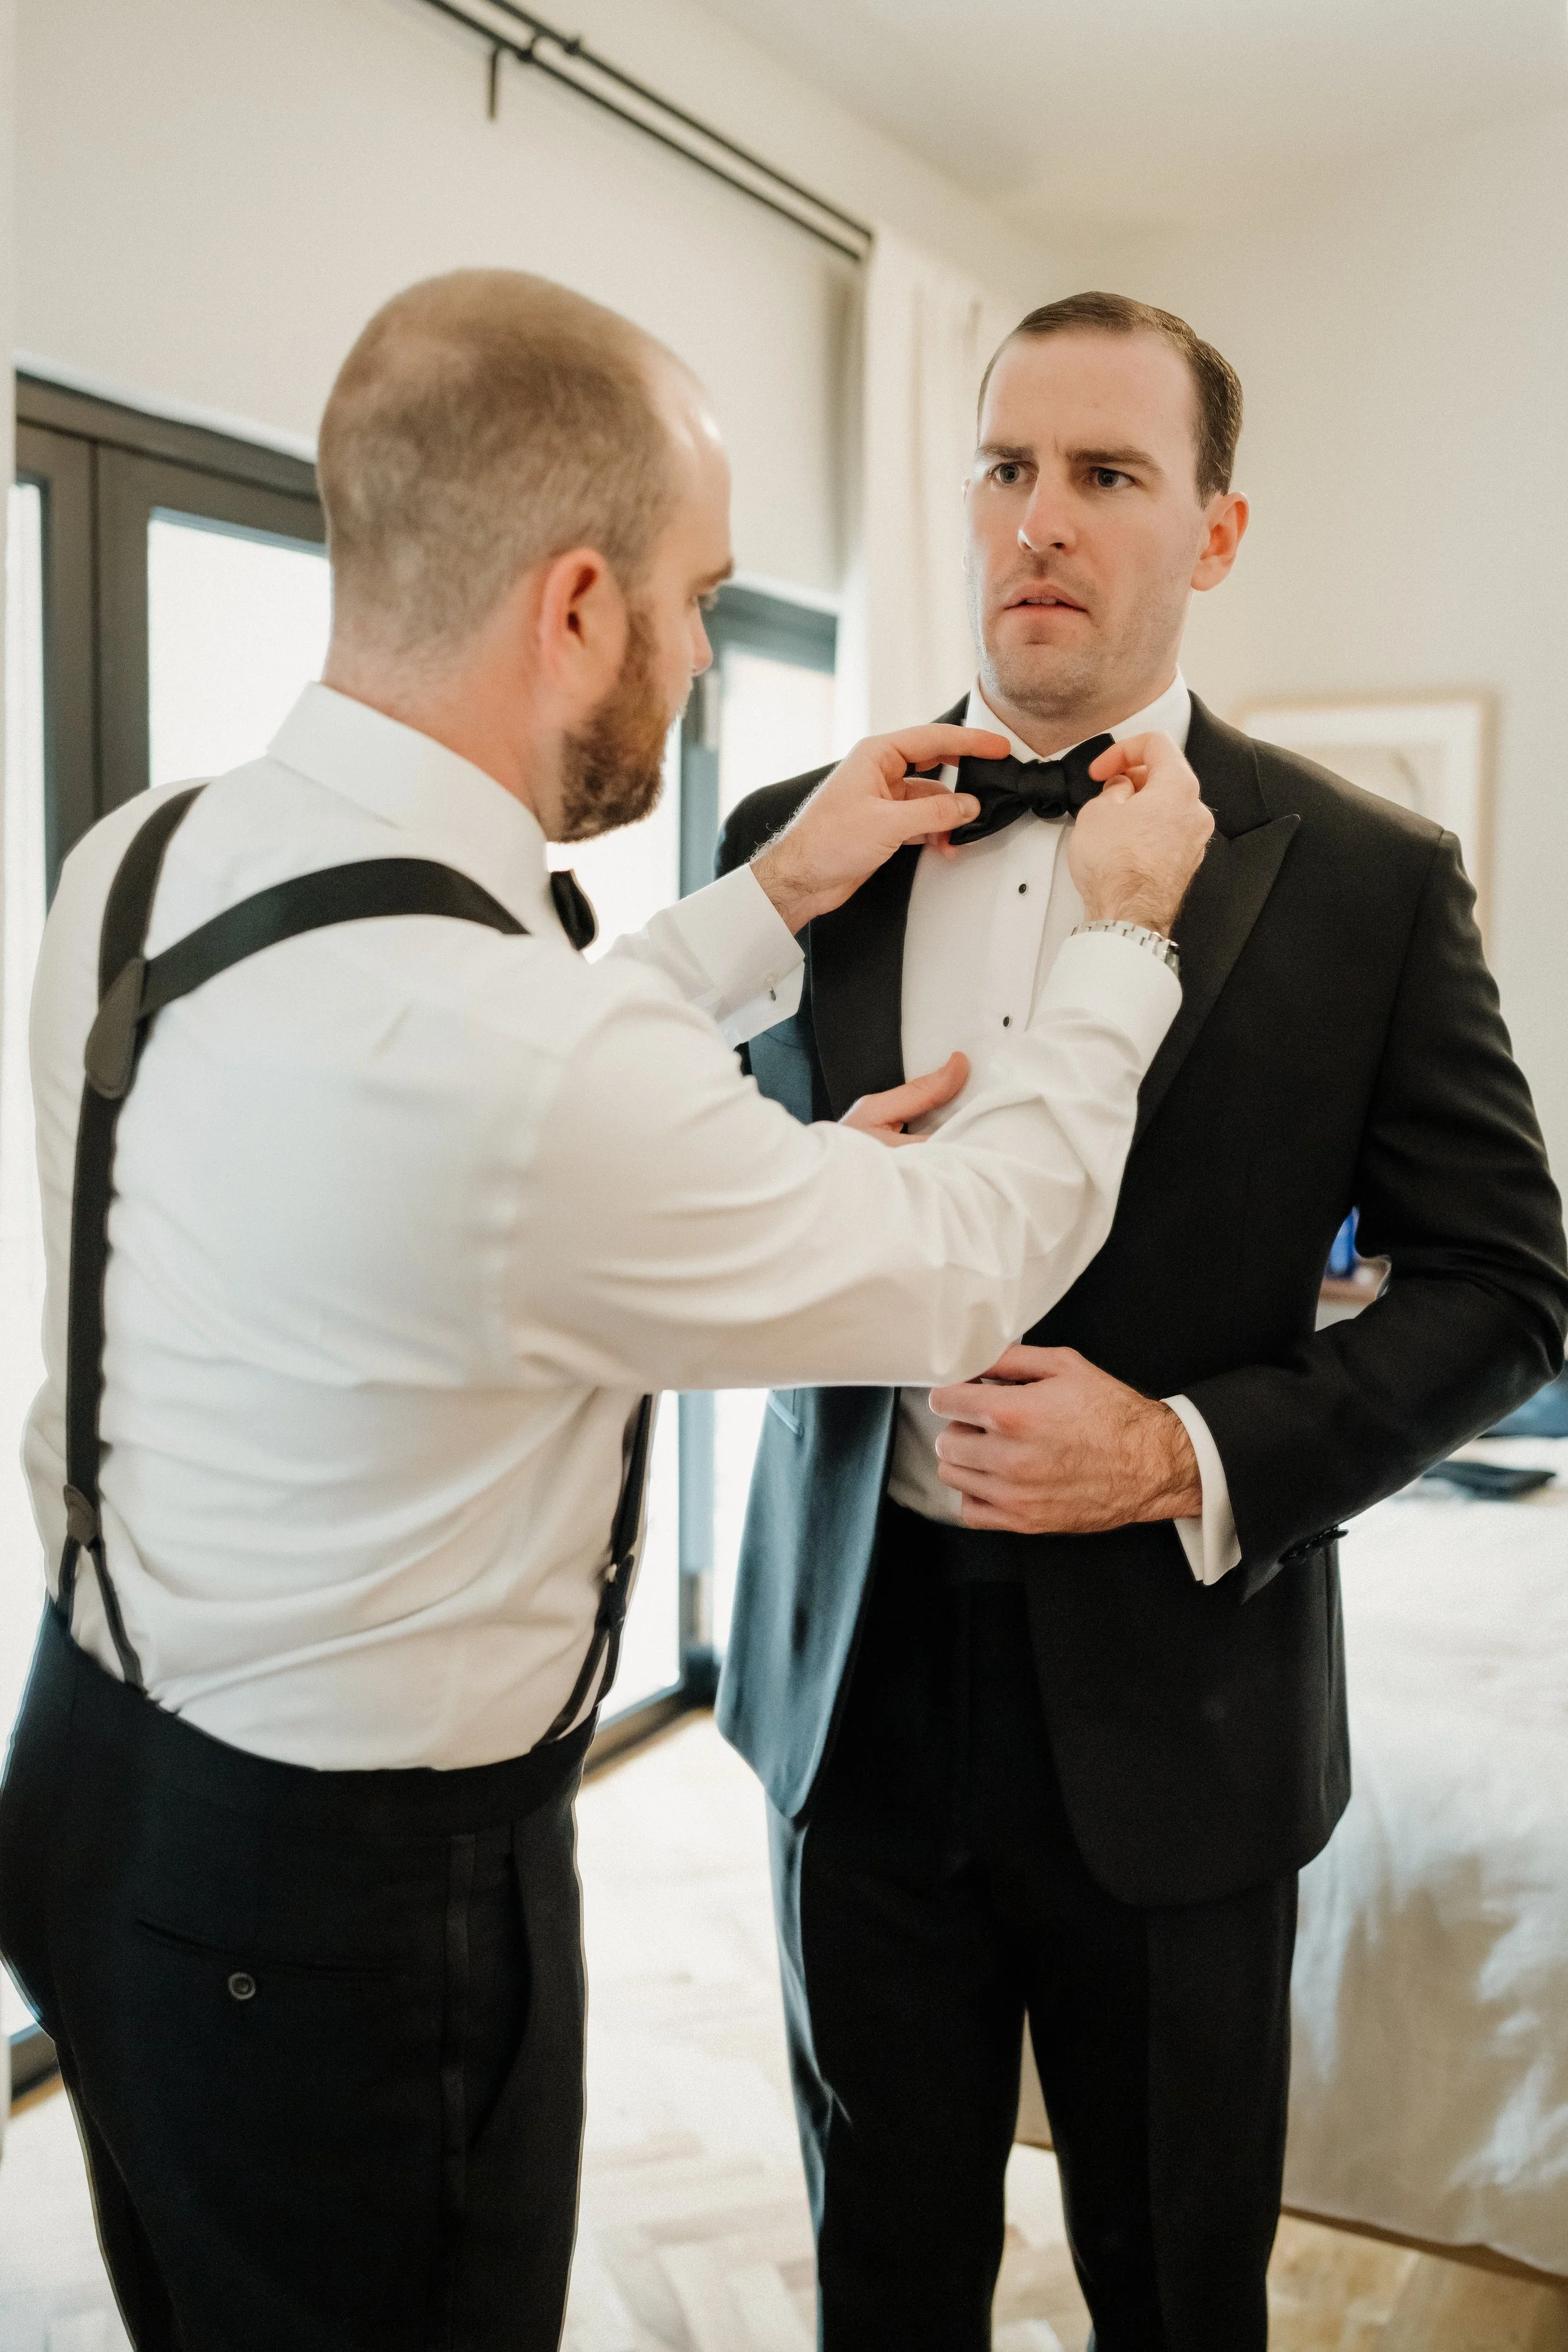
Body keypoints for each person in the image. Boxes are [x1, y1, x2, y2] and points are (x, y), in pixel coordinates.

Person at [0, 272, 1212, 2352]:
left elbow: (483, 1082)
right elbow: (948, 1254)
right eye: (698, 595)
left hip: (86, 1780)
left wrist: (772, 900)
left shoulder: (145, 856)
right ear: (576, 606)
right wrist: (1114, 949)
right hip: (350, 1923)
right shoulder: (522, 1072)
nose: (706, 643)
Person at [715, 290, 1568, 2351]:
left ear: (1214, 530)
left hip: (1182, 1698)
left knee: (1180, 2285)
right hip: (852, 1673)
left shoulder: (1365, 878)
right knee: (876, 2266)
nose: (1041, 519)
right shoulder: (787, 849)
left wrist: (1187, 1451)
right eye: (1006, 466)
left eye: (1106, 474)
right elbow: (697, 1209)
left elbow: (1507, 1283)